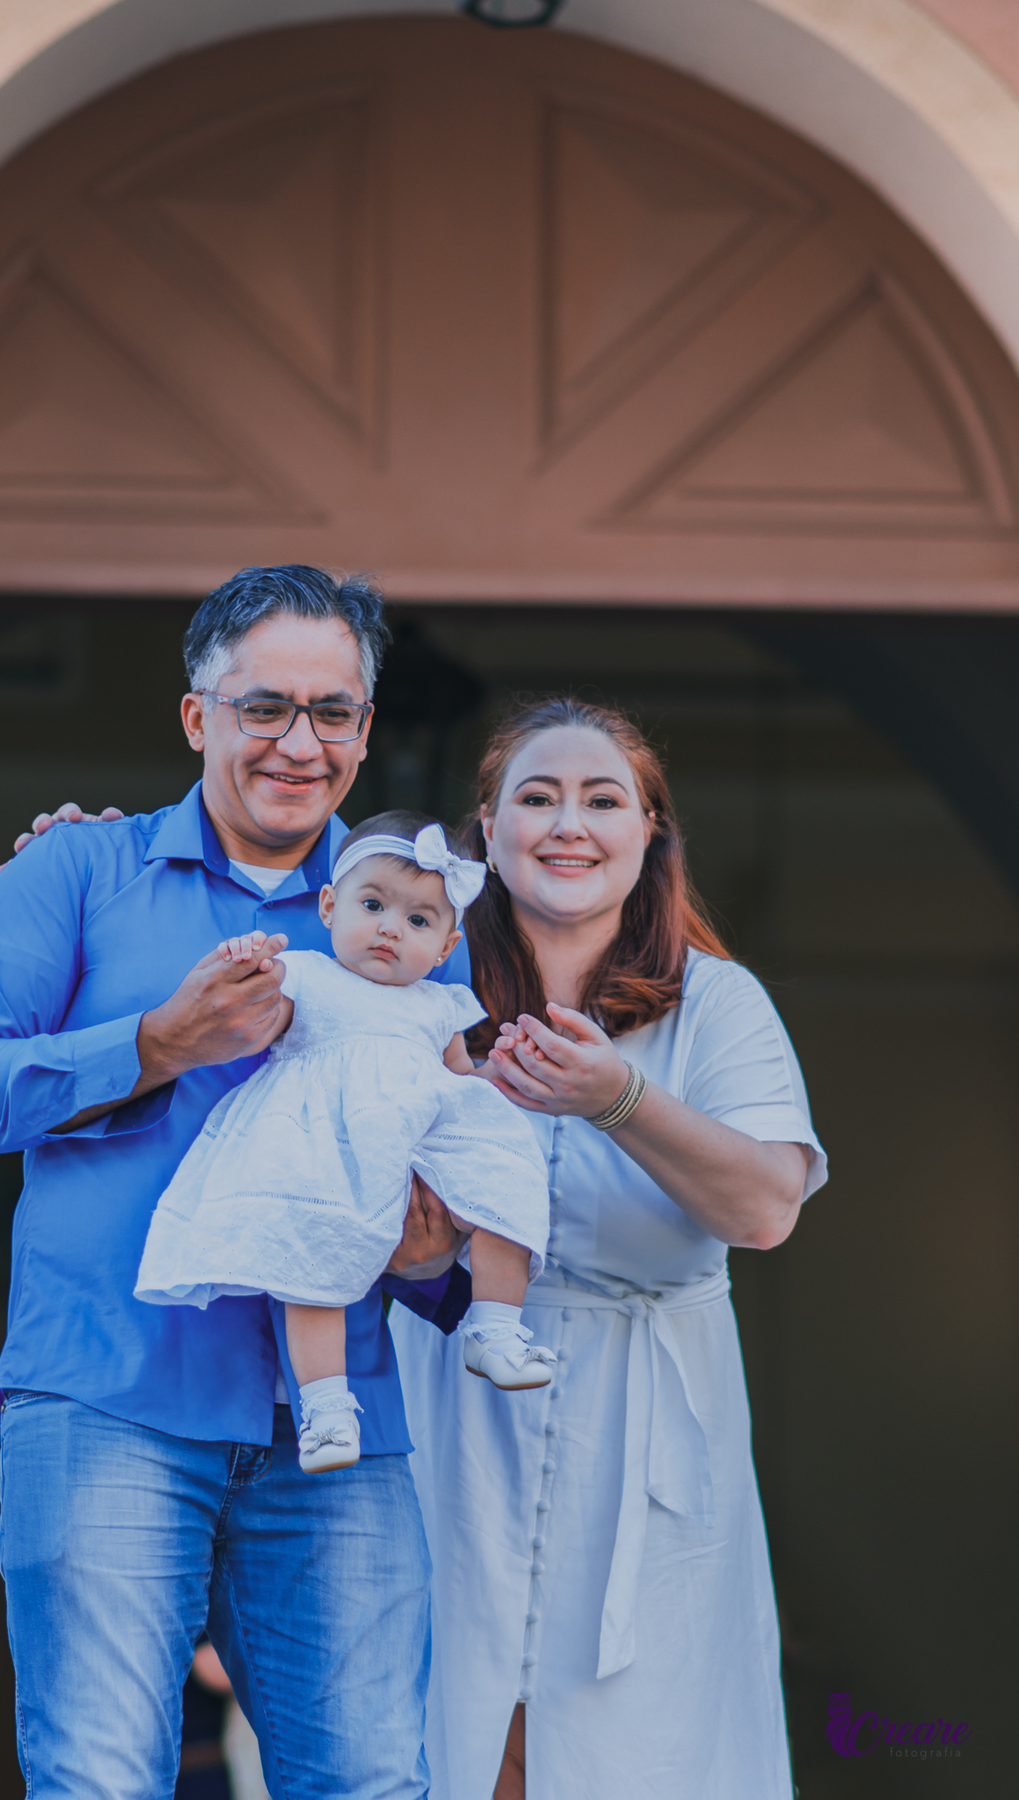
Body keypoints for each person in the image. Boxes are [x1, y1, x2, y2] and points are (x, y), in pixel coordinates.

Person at [0, 567, 473, 1800]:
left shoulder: (415, 923)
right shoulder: (72, 874)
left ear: (368, 731)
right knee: (101, 1781)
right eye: (264, 706)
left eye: (332, 712)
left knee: (377, 1785)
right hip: (111, 1397)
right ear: (195, 717)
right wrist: (154, 1043)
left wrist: (437, 1265)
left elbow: (452, 1199)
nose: (298, 742)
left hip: (336, 1428)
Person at [388, 697, 828, 1800]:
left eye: (601, 799)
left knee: (642, 1749)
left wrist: (617, 1097)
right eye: (536, 797)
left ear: (647, 835)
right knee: (442, 1742)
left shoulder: (716, 1004)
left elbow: (767, 1207)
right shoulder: (411, 988)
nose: (567, 823)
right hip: (449, 1412)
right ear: (485, 830)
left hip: (643, 1431)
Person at [135, 811, 554, 1474]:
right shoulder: (305, 974)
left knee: (505, 1176)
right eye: (372, 904)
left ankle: (495, 1326)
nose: (391, 927)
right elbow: (261, 1020)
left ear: (445, 949)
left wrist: (502, 1079)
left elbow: (460, 1083)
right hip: (324, 1144)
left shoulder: (439, 1003)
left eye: (419, 921)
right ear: (329, 907)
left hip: (417, 1134)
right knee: (310, 1261)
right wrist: (246, 966)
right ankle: (327, 1410)